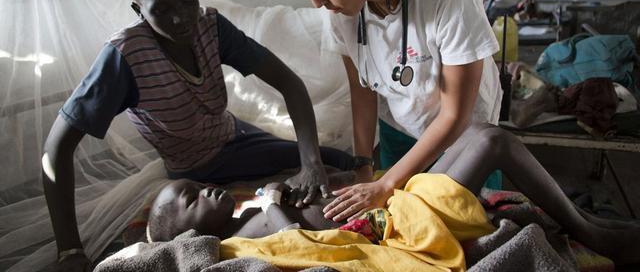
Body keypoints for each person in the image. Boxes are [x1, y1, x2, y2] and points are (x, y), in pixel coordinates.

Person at [41, 0, 366, 272]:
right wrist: (69, 250)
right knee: (324, 175)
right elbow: (57, 149)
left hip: (234, 135)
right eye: (162, 9)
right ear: (139, 10)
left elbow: (289, 83)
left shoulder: (209, 26)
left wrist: (310, 164)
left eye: (186, 0)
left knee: (333, 162)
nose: (181, 18)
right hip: (197, 166)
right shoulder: (125, 56)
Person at [282, 0, 506, 222]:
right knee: (396, 220)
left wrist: (386, 182)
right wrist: (364, 168)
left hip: (460, 137)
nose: (316, 2)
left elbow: (455, 114)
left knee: (466, 220)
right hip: (399, 127)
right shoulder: (339, 12)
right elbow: (362, 90)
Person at [147, 130, 640, 268]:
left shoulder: (249, 213)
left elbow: (318, 210)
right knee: (491, 142)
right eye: (191, 198)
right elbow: (293, 239)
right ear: (189, 234)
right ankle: (591, 231)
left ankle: (590, 225)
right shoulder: (241, 238)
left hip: (396, 199)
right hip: (401, 219)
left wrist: (327, 180)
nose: (205, 189)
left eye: (193, 185)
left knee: (479, 136)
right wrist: (275, 200)